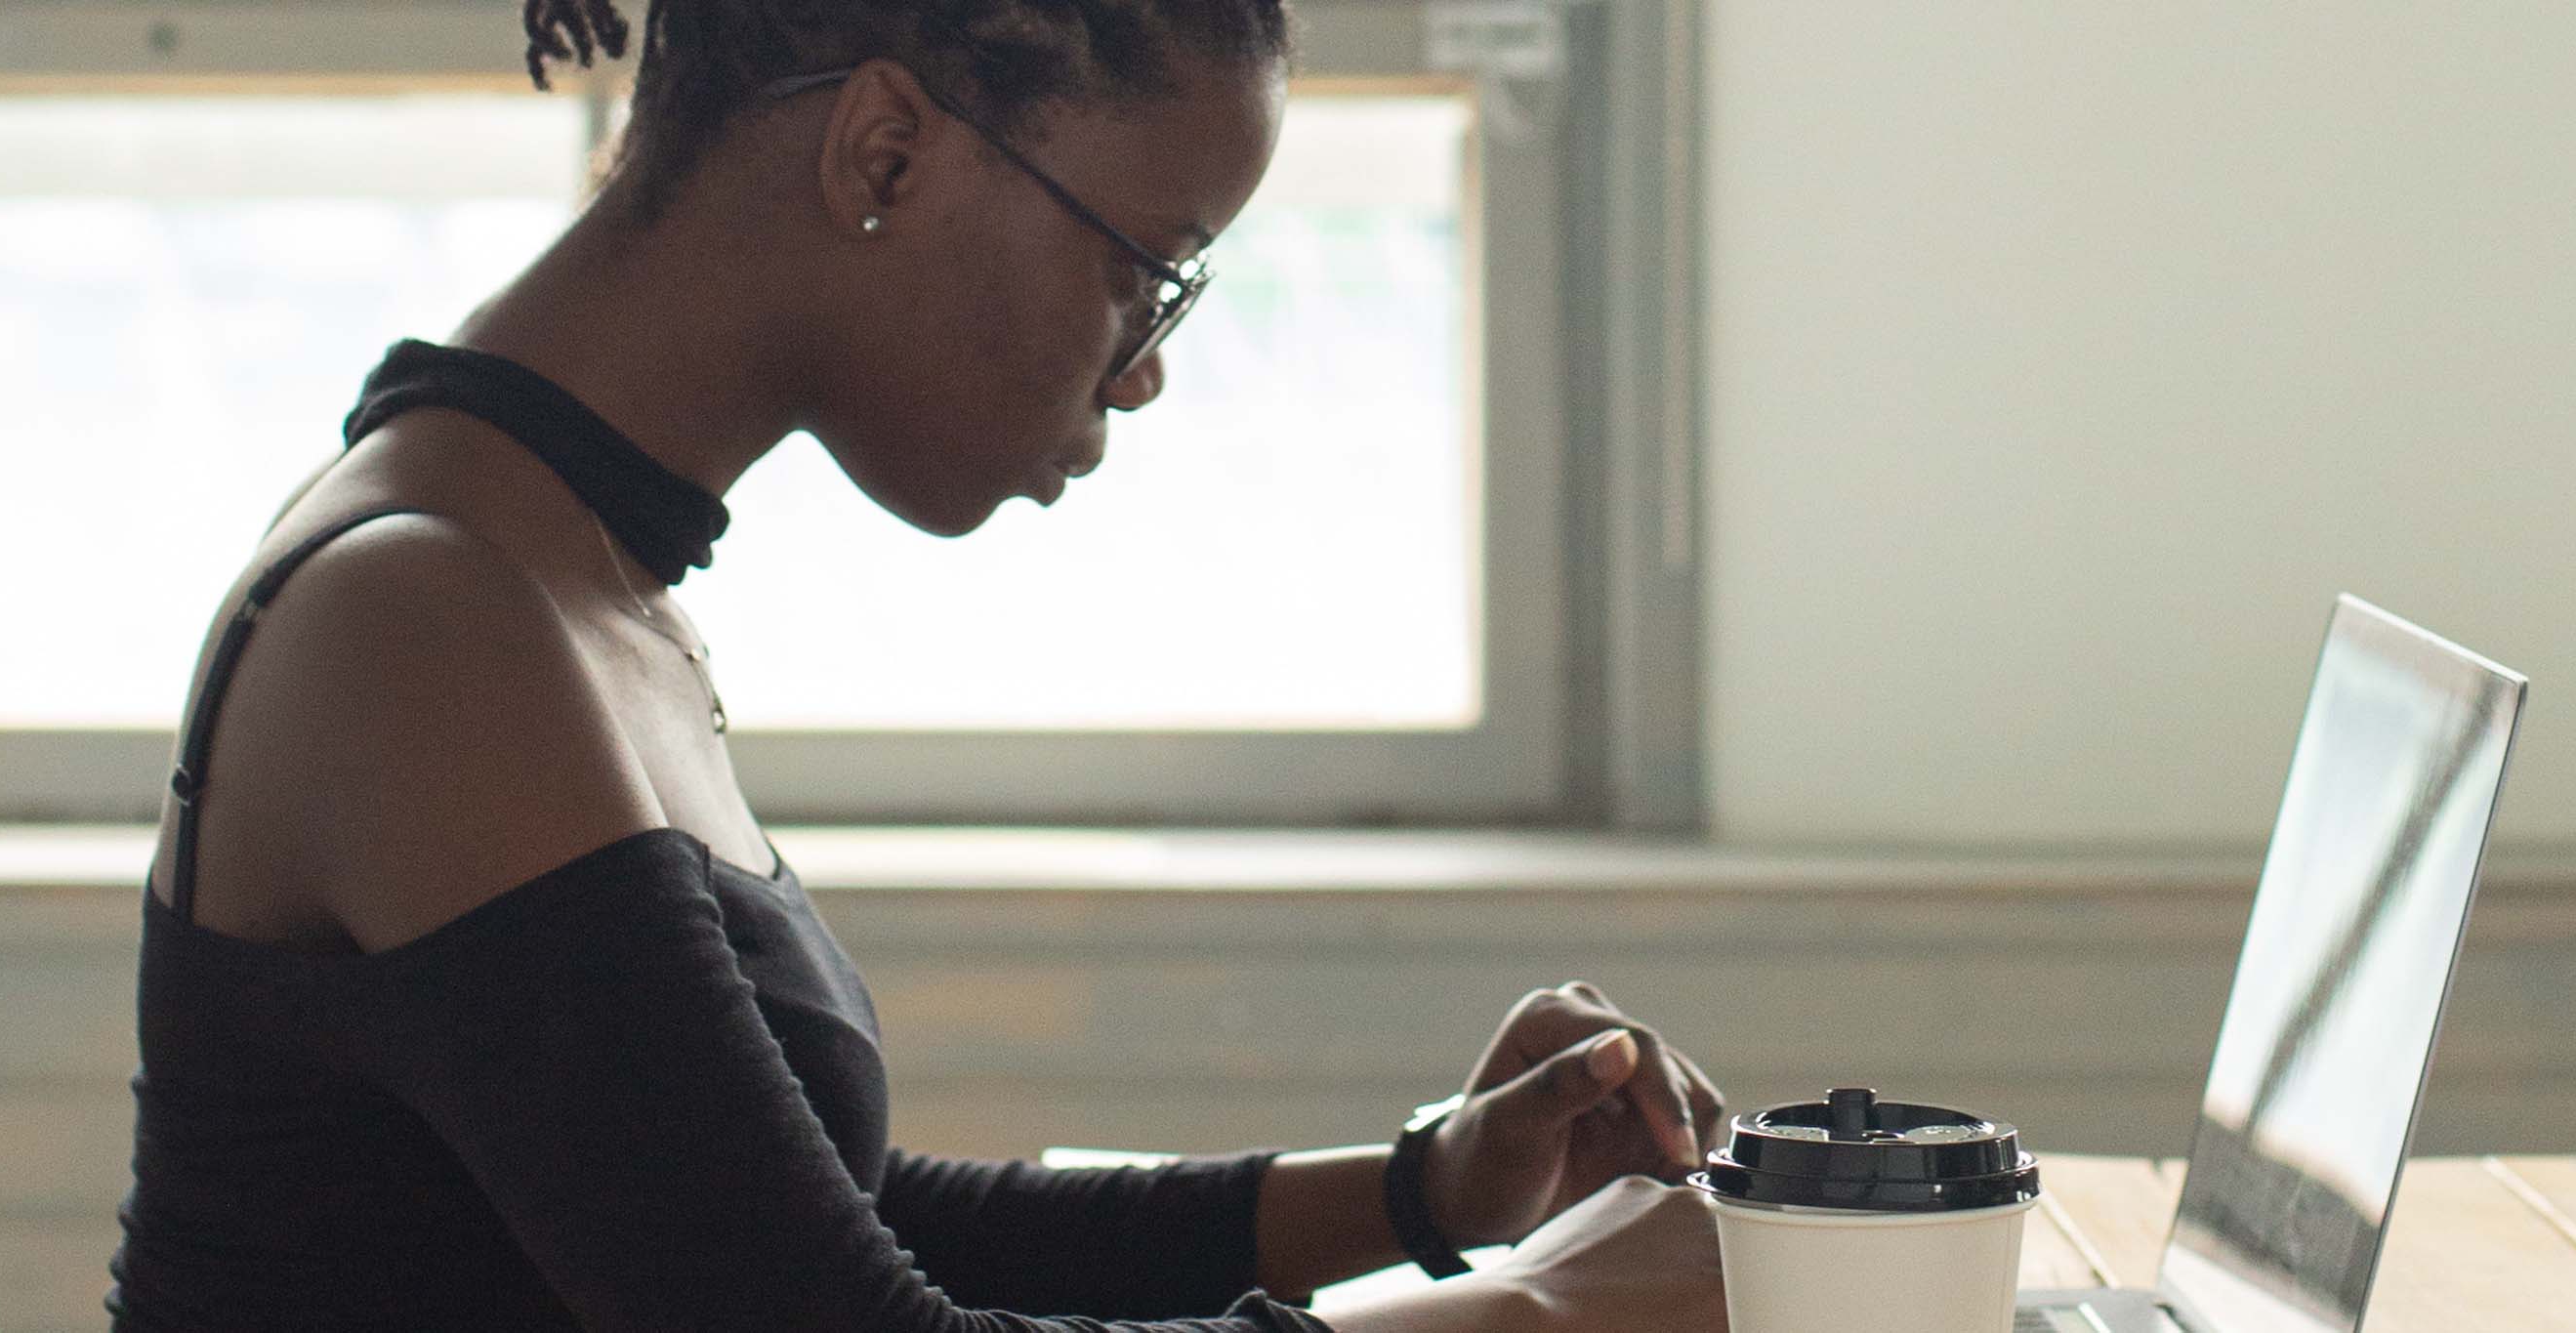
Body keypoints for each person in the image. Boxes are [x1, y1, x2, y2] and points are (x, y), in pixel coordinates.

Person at [102, 0, 1731, 1328]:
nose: (1147, 370)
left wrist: (1426, 1192)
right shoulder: (433, 626)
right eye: (1142, 268)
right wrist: (1548, 1315)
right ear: (885, 150)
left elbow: (821, 1225)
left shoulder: (562, 575)